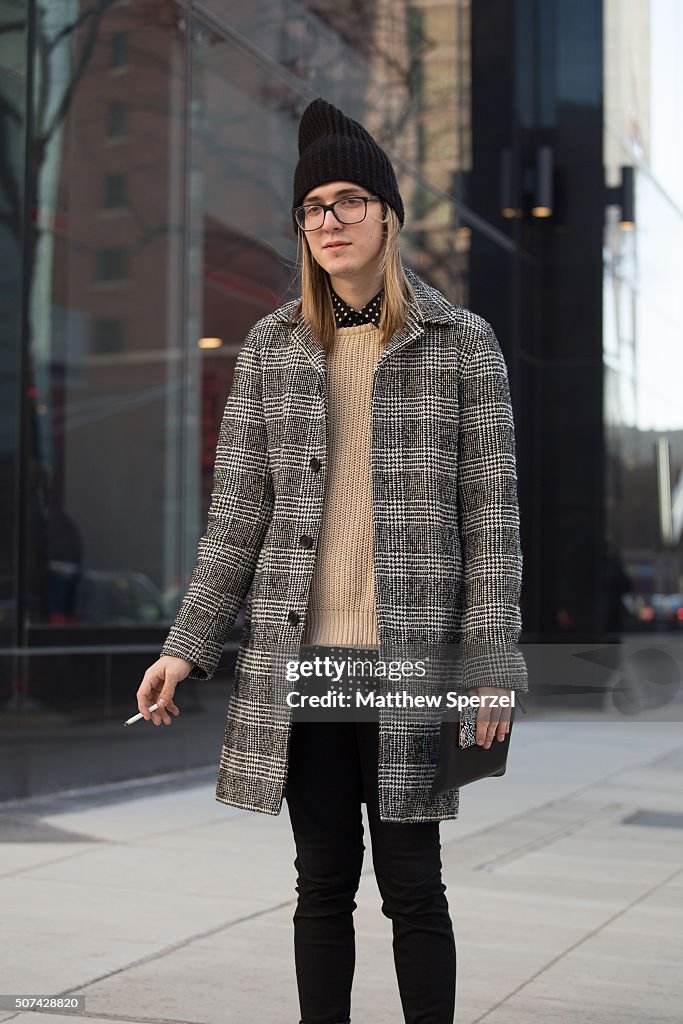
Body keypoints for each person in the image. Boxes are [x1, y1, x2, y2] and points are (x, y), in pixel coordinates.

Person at [136, 97, 528, 1024]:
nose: (329, 222)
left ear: (387, 214)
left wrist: (487, 668)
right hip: (304, 660)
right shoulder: (272, 350)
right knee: (321, 886)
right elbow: (237, 518)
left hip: (412, 660)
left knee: (412, 885)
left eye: (349, 200)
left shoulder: (460, 344)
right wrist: (183, 646)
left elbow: (493, 522)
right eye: (313, 207)